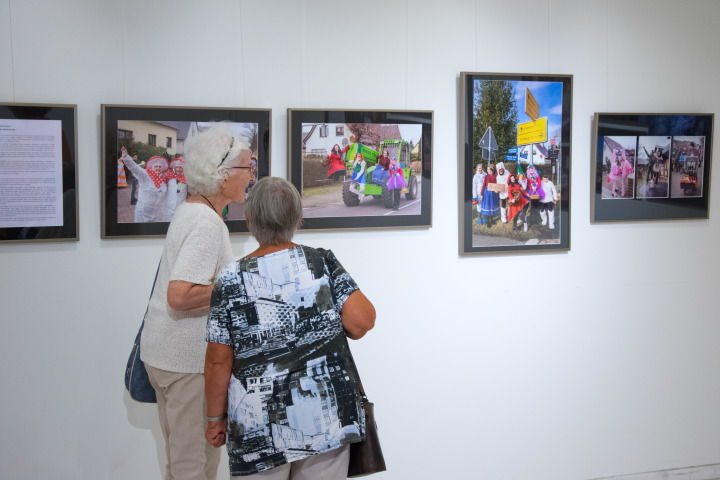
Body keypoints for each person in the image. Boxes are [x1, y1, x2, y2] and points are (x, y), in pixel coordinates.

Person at [205, 176, 376, 479]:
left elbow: (219, 359)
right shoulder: (321, 262)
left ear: (248, 221)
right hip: (329, 421)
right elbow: (362, 322)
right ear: (298, 218)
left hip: (257, 425)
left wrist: (215, 418)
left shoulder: (230, 280)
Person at [140, 123, 255, 480]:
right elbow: (181, 295)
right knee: (193, 468)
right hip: (186, 362)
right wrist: (236, 286)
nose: (252, 177)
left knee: (186, 462)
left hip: (167, 355)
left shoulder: (193, 209)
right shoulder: (206, 223)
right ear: (222, 175)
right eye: (248, 168)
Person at [121, 151, 169, 222]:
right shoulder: (146, 175)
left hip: (155, 214)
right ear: (152, 167)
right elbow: (135, 168)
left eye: (160, 167)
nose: (158, 168)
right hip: (143, 212)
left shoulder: (163, 181)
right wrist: (126, 157)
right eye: (156, 166)